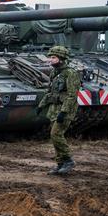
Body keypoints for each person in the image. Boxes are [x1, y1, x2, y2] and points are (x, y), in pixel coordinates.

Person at [37, 46, 80, 175]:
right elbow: (50, 92)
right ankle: (60, 164)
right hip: (54, 108)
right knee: (55, 135)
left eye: (53, 57)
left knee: (55, 134)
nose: (51, 60)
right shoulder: (54, 72)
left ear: (61, 59)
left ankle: (68, 160)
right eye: (50, 57)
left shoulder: (71, 73)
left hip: (65, 109)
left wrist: (64, 112)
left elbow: (73, 95)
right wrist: (41, 105)